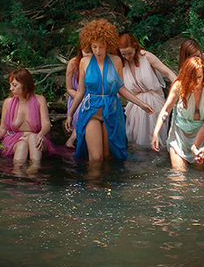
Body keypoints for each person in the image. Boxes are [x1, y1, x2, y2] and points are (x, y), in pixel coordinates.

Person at [64, 19, 154, 163]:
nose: (98, 51)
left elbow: (121, 88)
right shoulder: (84, 62)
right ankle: (93, 184)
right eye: (94, 47)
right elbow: (81, 91)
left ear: (108, 45)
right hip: (91, 111)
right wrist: (70, 114)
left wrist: (141, 104)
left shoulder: (116, 61)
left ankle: (107, 185)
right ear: (89, 45)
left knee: (107, 156)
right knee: (96, 157)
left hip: (111, 111)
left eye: (101, 47)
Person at [0, 68, 63, 165]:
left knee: (33, 138)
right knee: (22, 145)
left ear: (25, 85)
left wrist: (41, 134)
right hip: (14, 141)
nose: (11, 88)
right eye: (10, 85)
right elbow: (2, 130)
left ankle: (35, 169)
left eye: (14, 85)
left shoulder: (40, 100)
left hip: (37, 139)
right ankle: (18, 174)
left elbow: (47, 124)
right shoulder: (7, 103)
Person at [151, 56, 204, 170]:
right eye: (192, 78)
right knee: (178, 176)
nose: (196, 81)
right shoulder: (179, 86)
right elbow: (166, 110)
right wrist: (156, 133)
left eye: (199, 77)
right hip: (179, 138)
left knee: (201, 177)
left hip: (202, 138)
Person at [117, 33, 177, 147]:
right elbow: (119, 86)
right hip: (135, 104)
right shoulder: (121, 63)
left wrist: (178, 89)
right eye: (123, 54)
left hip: (154, 101)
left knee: (155, 135)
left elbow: (168, 73)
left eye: (129, 53)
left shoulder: (146, 57)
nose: (127, 57)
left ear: (135, 47)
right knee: (135, 140)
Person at [63, 45, 91, 147]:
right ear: (80, 51)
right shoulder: (73, 64)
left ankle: (74, 139)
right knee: (83, 108)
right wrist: (82, 98)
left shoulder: (98, 65)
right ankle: (72, 139)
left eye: (91, 52)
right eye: (86, 51)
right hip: (77, 98)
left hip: (93, 98)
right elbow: (69, 89)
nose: (89, 55)